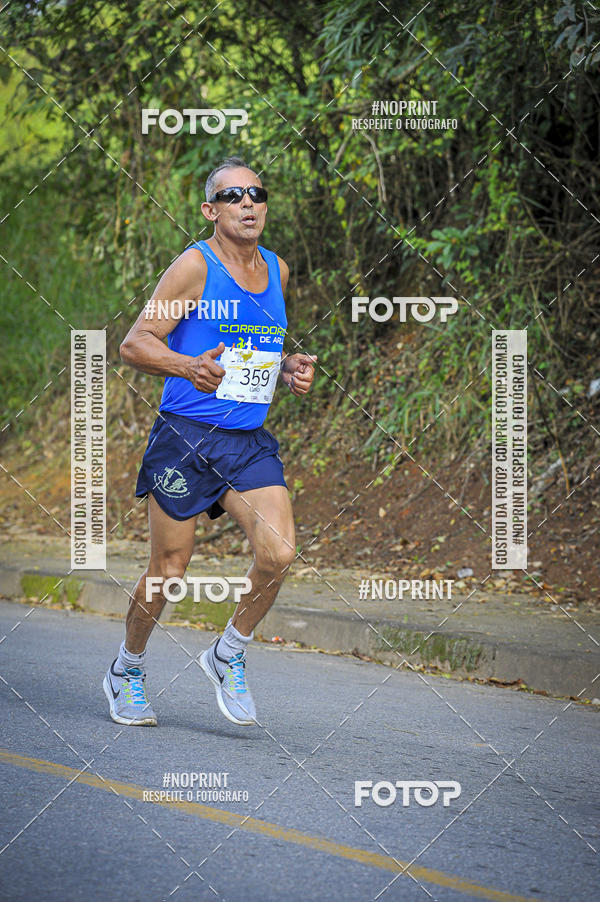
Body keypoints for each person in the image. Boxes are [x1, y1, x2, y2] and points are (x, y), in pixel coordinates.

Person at [103, 156, 316, 727]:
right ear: (210, 211)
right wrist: (186, 365)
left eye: (256, 194)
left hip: (245, 441)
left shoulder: (278, 269)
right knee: (169, 569)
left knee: (279, 552)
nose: (248, 203)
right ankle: (127, 668)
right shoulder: (194, 267)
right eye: (233, 196)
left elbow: (258, 347)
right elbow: (134, 344)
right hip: (186, 438)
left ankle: (228, 653)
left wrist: (286, 368)